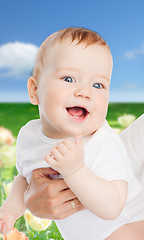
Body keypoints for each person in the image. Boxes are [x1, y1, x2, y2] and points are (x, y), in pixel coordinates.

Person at [0, 27, 143, 239]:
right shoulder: (29, 134)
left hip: (126, 225)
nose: (85, 92)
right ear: (34, 90)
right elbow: (25, 177)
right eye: (69, 79)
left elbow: (113, 206)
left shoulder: (101, 141)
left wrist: (75, 171)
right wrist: (11, 209)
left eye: (98, 84)